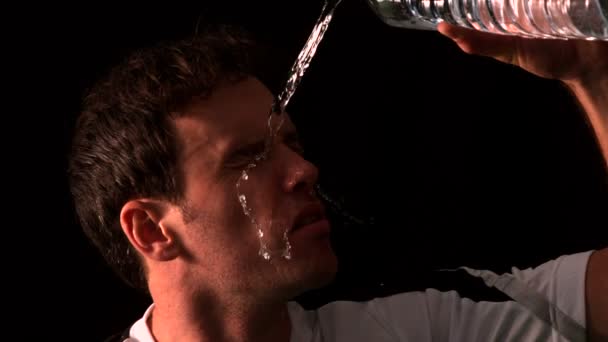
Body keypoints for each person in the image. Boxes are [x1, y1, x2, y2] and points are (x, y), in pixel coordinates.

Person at [67, 20, 607, 342]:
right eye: (248, 159)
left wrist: (594, 73)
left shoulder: (418, 323)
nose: (305, 172)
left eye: (292, 145)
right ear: (151, 229)